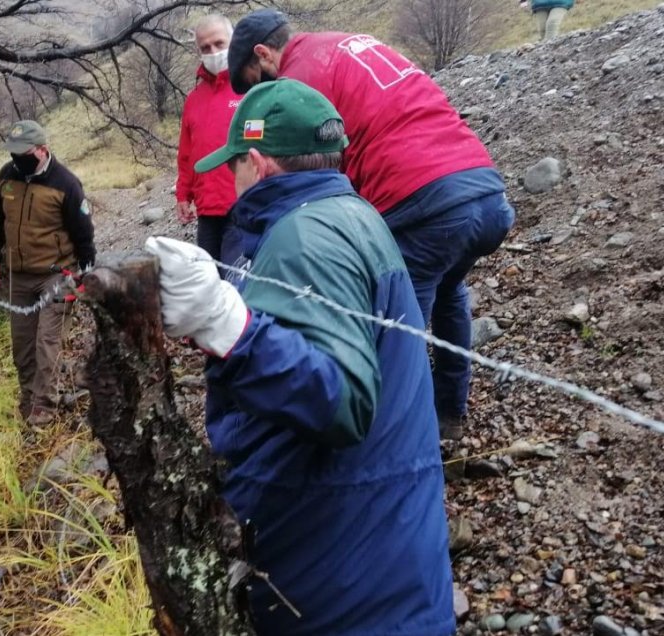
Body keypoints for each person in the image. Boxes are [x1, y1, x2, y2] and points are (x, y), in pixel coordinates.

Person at [144, 78, 452, 635]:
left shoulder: (305, 237)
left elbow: (341, 401)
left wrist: (228, 326)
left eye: (234, 164)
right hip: (377, 555)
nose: (231, 179)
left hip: (335, 579)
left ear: (257, 164)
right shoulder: (350, 214)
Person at [227, 9, 515, 439]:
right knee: (450, 288)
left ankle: (403, 434)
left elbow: (317, 167)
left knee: (400, 321)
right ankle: (450, 413)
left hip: (422, 198)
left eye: (254, 81)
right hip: (480, 185)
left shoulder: (302, 77)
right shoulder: (346, 43)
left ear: (263, 55)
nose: (263, 92)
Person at [0, 120, 96, 426]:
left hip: (57, 274)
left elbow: (84, 233)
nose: (17, 159)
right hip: (18, 275)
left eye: (24, 153)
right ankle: (28, 400)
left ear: (42, 150)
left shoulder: (66, 184)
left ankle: (45, 408)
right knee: (22, 346)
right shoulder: (7, 177)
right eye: (13, 153)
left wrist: (85, 273)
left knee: (48, 344)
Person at [175, 14, 243, 266]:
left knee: (240, 282)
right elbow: (187, 152)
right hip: (208, 211)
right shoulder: (194, 98)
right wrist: (183, 194)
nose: (213, 52)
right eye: (205, 48)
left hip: (245, 206)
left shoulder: (250, 86)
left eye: (219, 44)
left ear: (233, 42)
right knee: (212, 283)